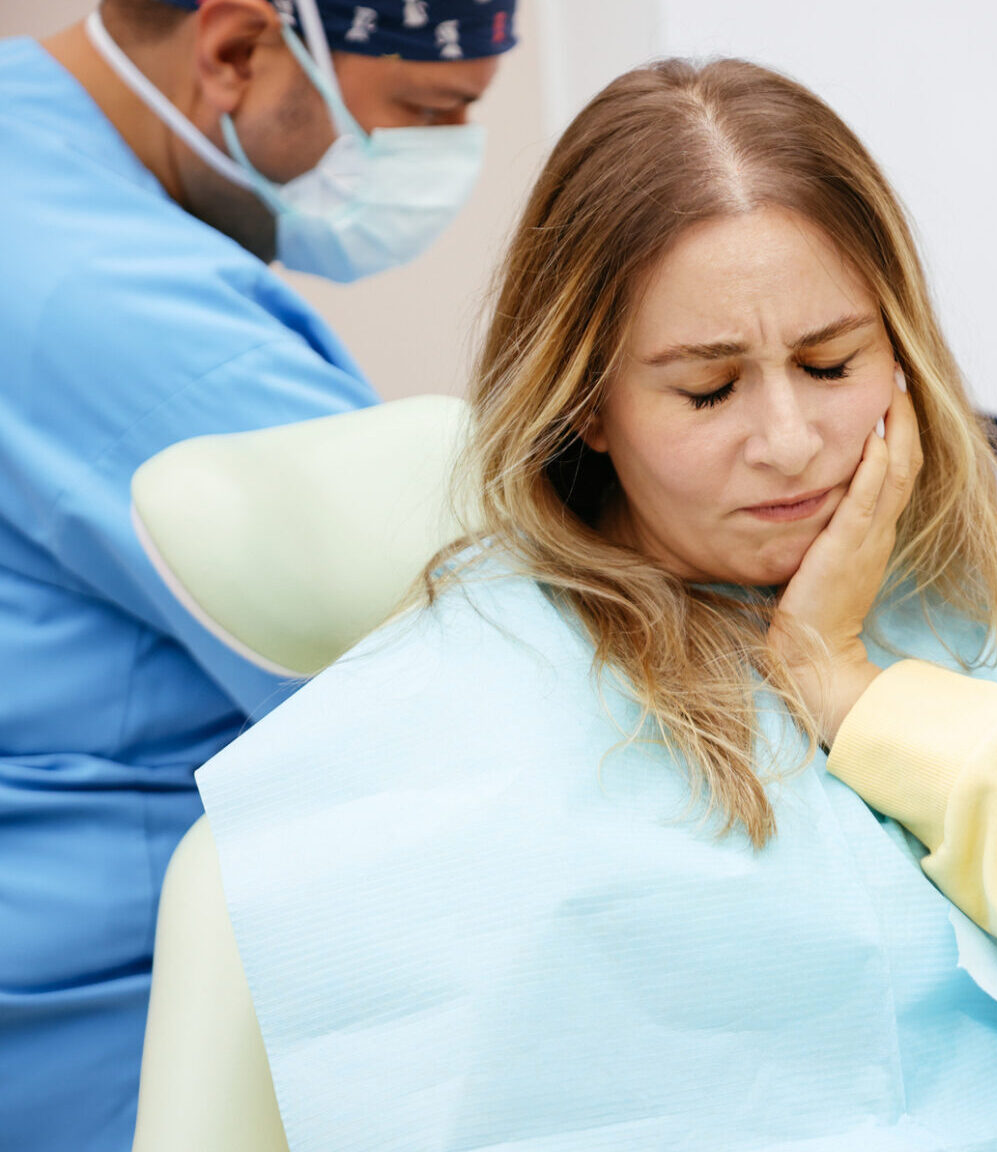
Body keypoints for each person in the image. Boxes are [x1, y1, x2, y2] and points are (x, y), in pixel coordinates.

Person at [2, 0, 997, 1141]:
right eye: (707, 388)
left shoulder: (966, 623)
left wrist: (857, 693)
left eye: (833, 363)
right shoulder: (477, 694)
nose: (791, 443)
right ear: (589, 406)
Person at [0, 2, 514, 1147]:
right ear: (232, 51)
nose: (442, 167)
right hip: (96, 1031)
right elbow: (467, 659)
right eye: (423, 118)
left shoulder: (24, 135)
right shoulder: (113, 307)